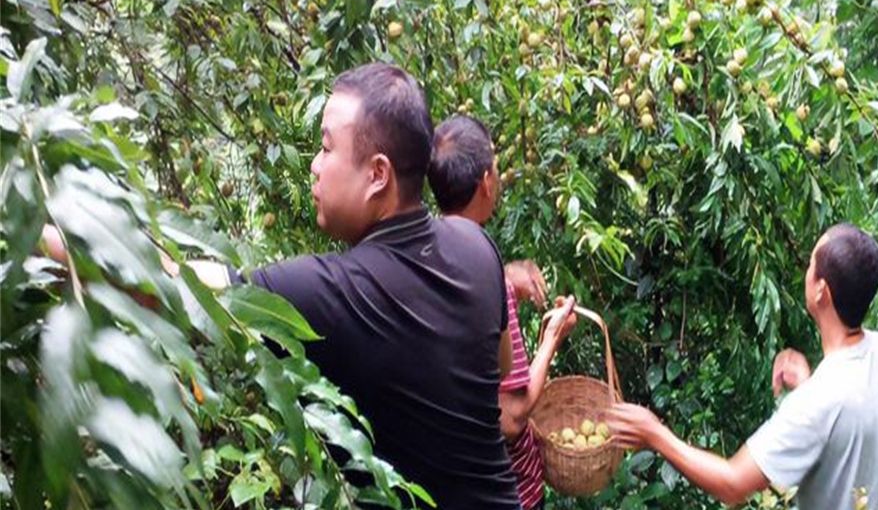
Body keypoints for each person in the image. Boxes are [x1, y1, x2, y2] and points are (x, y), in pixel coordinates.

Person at [41, 63, 522, 510]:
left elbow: (169, 285)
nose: (315, 164)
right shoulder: (476, 246)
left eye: (327, 147)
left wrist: (35, 232)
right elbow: (499, 366)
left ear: (378, 174)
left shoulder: (332, 292)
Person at [605, 224, 878, 509]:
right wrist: (807, 384)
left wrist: (654, 434)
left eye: (811, 264)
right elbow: (849, 417)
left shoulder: (817, 401)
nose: (806, 270)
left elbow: (733, 483)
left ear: (821, 291)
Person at [428, 114, 576, 510]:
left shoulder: (426, 258)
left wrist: (509, 278)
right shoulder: (485, 279)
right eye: (494, 164)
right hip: (509, 491)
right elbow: (511, 418)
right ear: (486, 183)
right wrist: (551, 339)